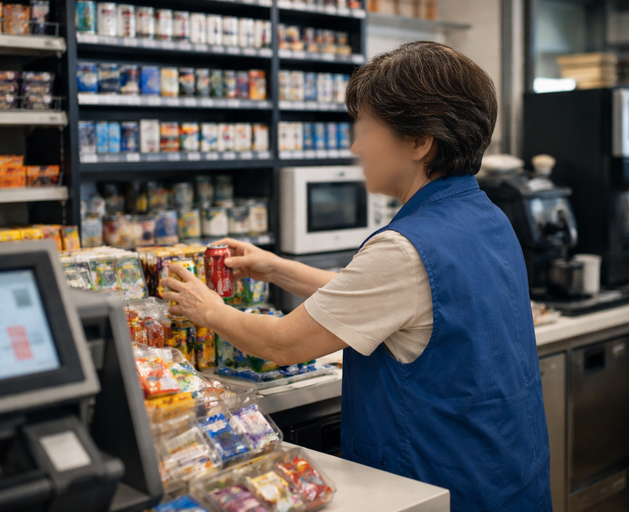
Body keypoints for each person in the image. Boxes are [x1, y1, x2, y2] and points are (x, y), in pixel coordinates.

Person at [162, 41, 552, 512]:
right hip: (503, 473)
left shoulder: (404, 248)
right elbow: (389, 304)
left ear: (418, 141)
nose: (355, 146)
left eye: (366, 129)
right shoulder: (485, 217)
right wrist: (275, 268)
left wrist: (210, 309)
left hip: (438, 482)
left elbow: (282, 343)